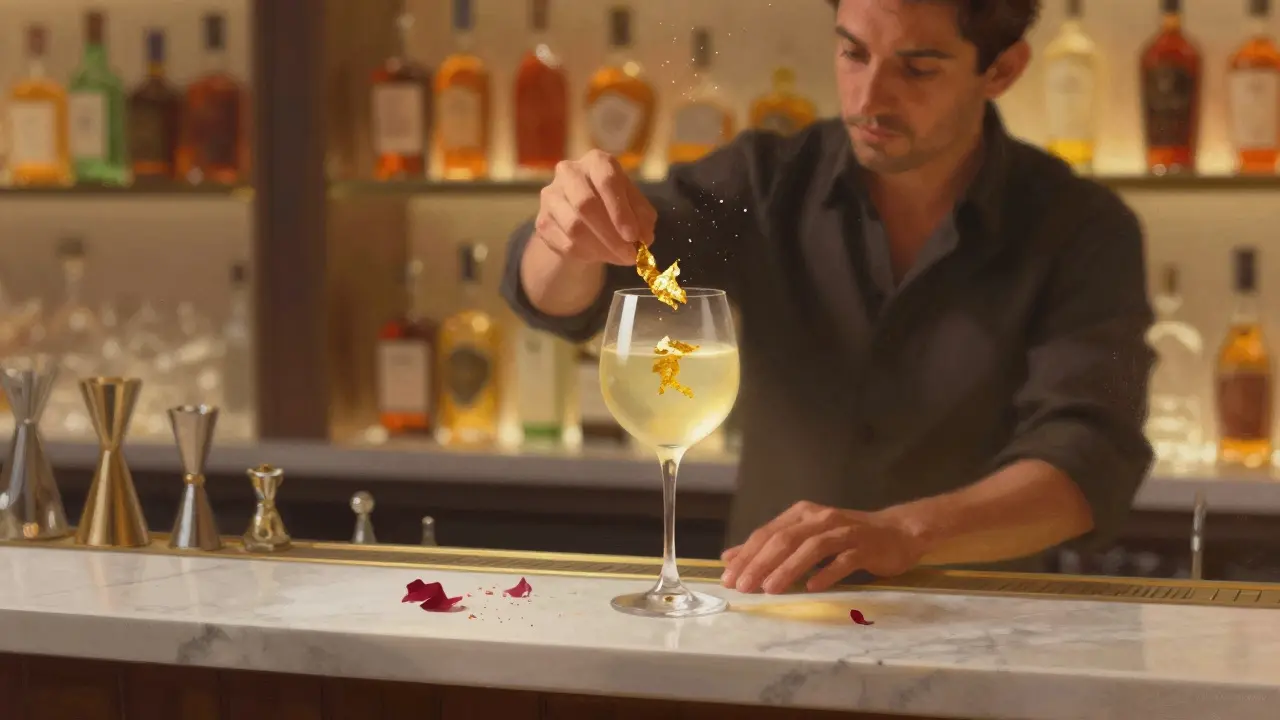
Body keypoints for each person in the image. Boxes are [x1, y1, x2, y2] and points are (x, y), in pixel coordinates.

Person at [500, 0, 1154, 595]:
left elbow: (1086, 458)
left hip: (981, 625)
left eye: (918, 68)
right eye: (852, 53)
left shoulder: (1081, 227)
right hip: (769, 614)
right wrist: (565, 235)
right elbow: (570, 299)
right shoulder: (764, 180)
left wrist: (906, 533)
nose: (870, 98)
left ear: (1002, 70)